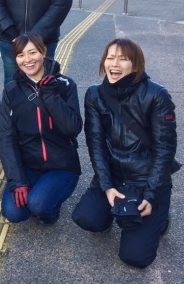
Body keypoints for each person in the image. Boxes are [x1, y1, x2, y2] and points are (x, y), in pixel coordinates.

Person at [72, 38, 178, 269]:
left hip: (146, 180)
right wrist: (106, 186)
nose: (114, 64)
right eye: (110, 58)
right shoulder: (94, 95)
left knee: (135, 257)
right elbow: (96, 144)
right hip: (113, 176)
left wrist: (151, 196)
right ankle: (111, 213)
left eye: (123, 59)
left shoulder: (157, 95)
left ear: (136, 65)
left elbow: (165, 151)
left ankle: (161, 216)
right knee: (86, 218)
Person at [0, 32, 82, 225]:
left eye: (32, 52)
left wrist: (50, 95)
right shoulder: (11, 90)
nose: (27, 59)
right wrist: (17, 180)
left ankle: (51, 209)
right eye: (20, 55)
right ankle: (40, 192)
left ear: (43, 52)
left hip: (62, 166)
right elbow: (6, 137)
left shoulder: (65, 85)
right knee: (13, 213)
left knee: (39, 205)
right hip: (29, 166)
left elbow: (72, 128)